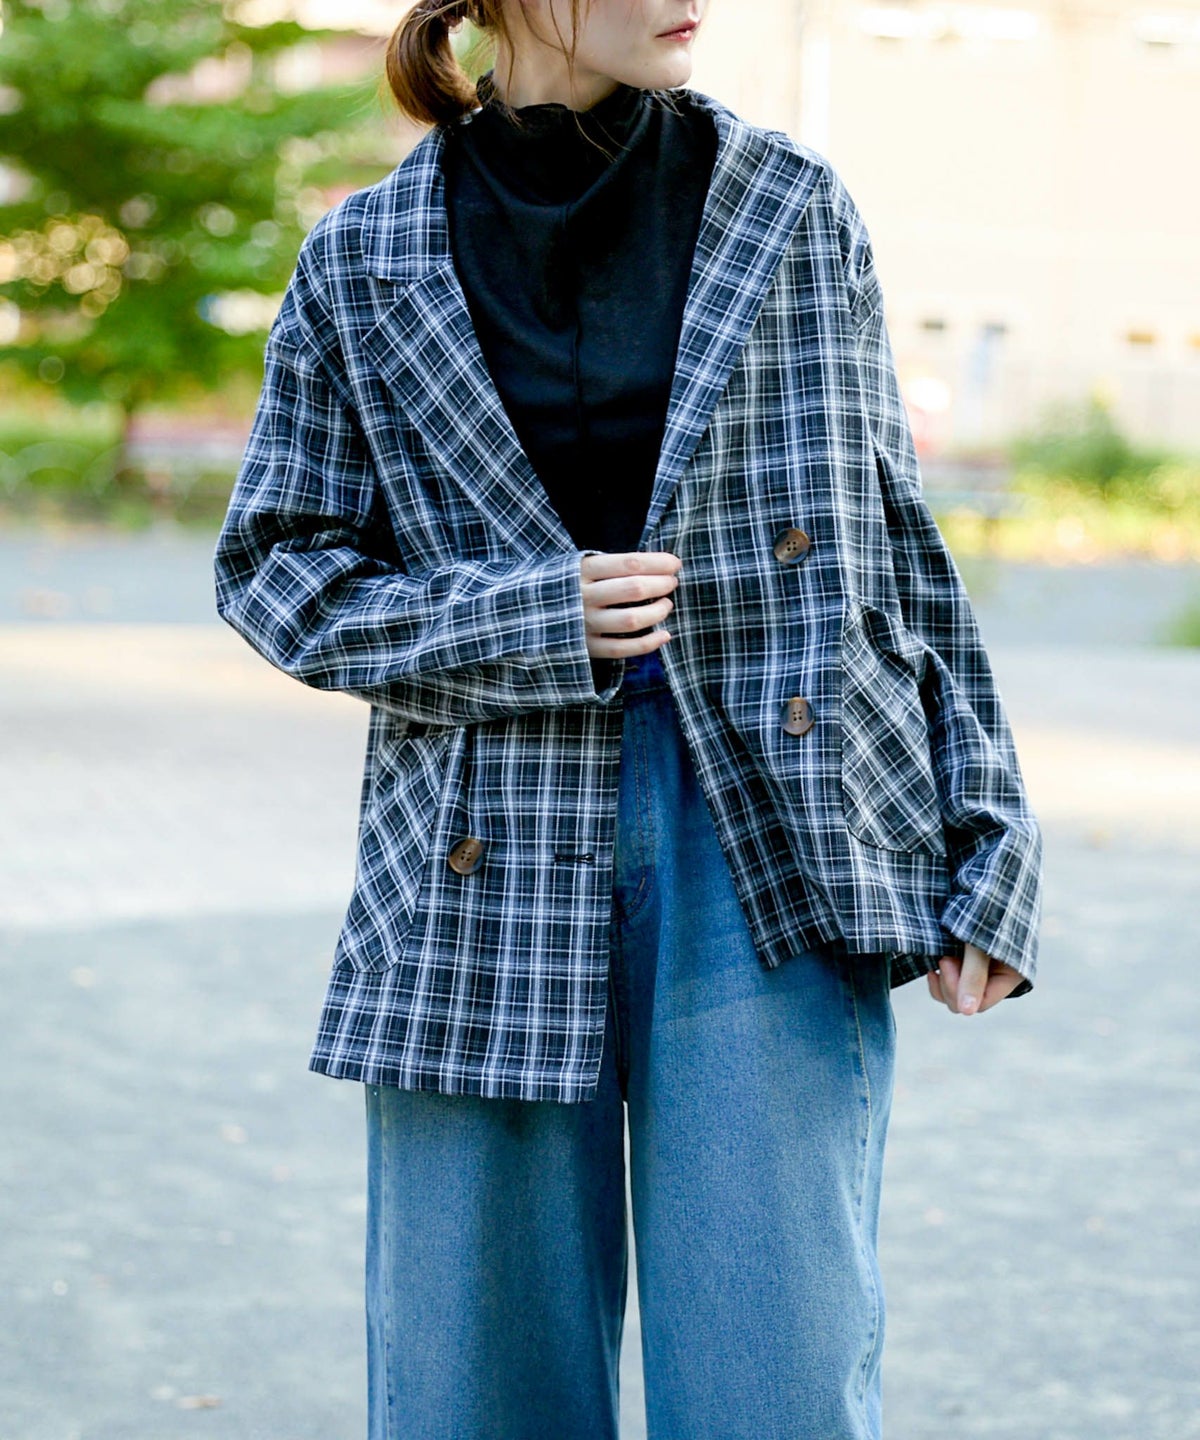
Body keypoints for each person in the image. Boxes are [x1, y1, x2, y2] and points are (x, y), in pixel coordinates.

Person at [212, 1, 1044, 1435]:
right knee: (474, 1389)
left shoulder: (788, 209)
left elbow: (892, 544)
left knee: (776, 1377)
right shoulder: (363, 255)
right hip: (479, 843)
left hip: (770, 828)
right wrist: (529, 619)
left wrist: (990, 834)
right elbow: (273, 570)